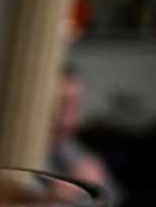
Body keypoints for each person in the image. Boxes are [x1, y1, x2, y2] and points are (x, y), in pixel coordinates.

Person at [49, 66, 120, 199]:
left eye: (75, 106)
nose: (68, 121)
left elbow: (113, 203)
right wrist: (56, 199)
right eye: (59, 105)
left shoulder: (69, 148)